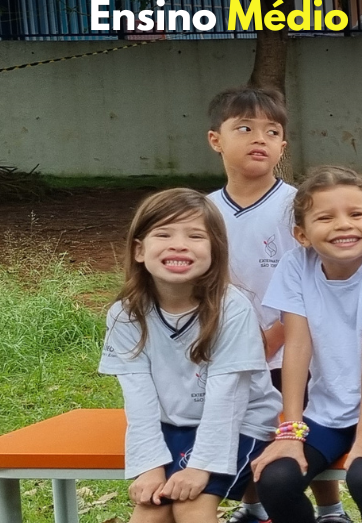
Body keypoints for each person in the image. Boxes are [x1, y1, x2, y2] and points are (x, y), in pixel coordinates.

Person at [101, 189, 282, 523]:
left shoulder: (233, 309)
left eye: (195, 235)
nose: (179, 244)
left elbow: (227, 399)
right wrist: (149, 466)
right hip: (173, 424)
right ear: (140, 250)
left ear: (215, 250)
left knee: (191, 505)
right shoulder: (124, 315)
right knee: (150, 512)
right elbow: (138, 398)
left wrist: (201, 467)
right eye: (164, 234)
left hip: (243, 421)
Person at [251, 168, 362, 523]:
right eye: (326, 217)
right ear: (301, 234)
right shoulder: (295, 265)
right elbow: (297, 349)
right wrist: (291, 430)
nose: (343, 225)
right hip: (326, 412)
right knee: (275, 481)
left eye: (356, 214)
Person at [204, 86, 296, 523]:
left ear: (283, 145)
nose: (259, 138)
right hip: (227, 345)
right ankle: (251, 506)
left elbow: (310, 286)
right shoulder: (202, 211)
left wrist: (274, 338)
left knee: (293, 424)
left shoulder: (297, 205)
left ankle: (332, 507)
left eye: (271, 131)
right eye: (244, 128)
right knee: (243, 420)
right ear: (215, 139)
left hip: (292, 343)